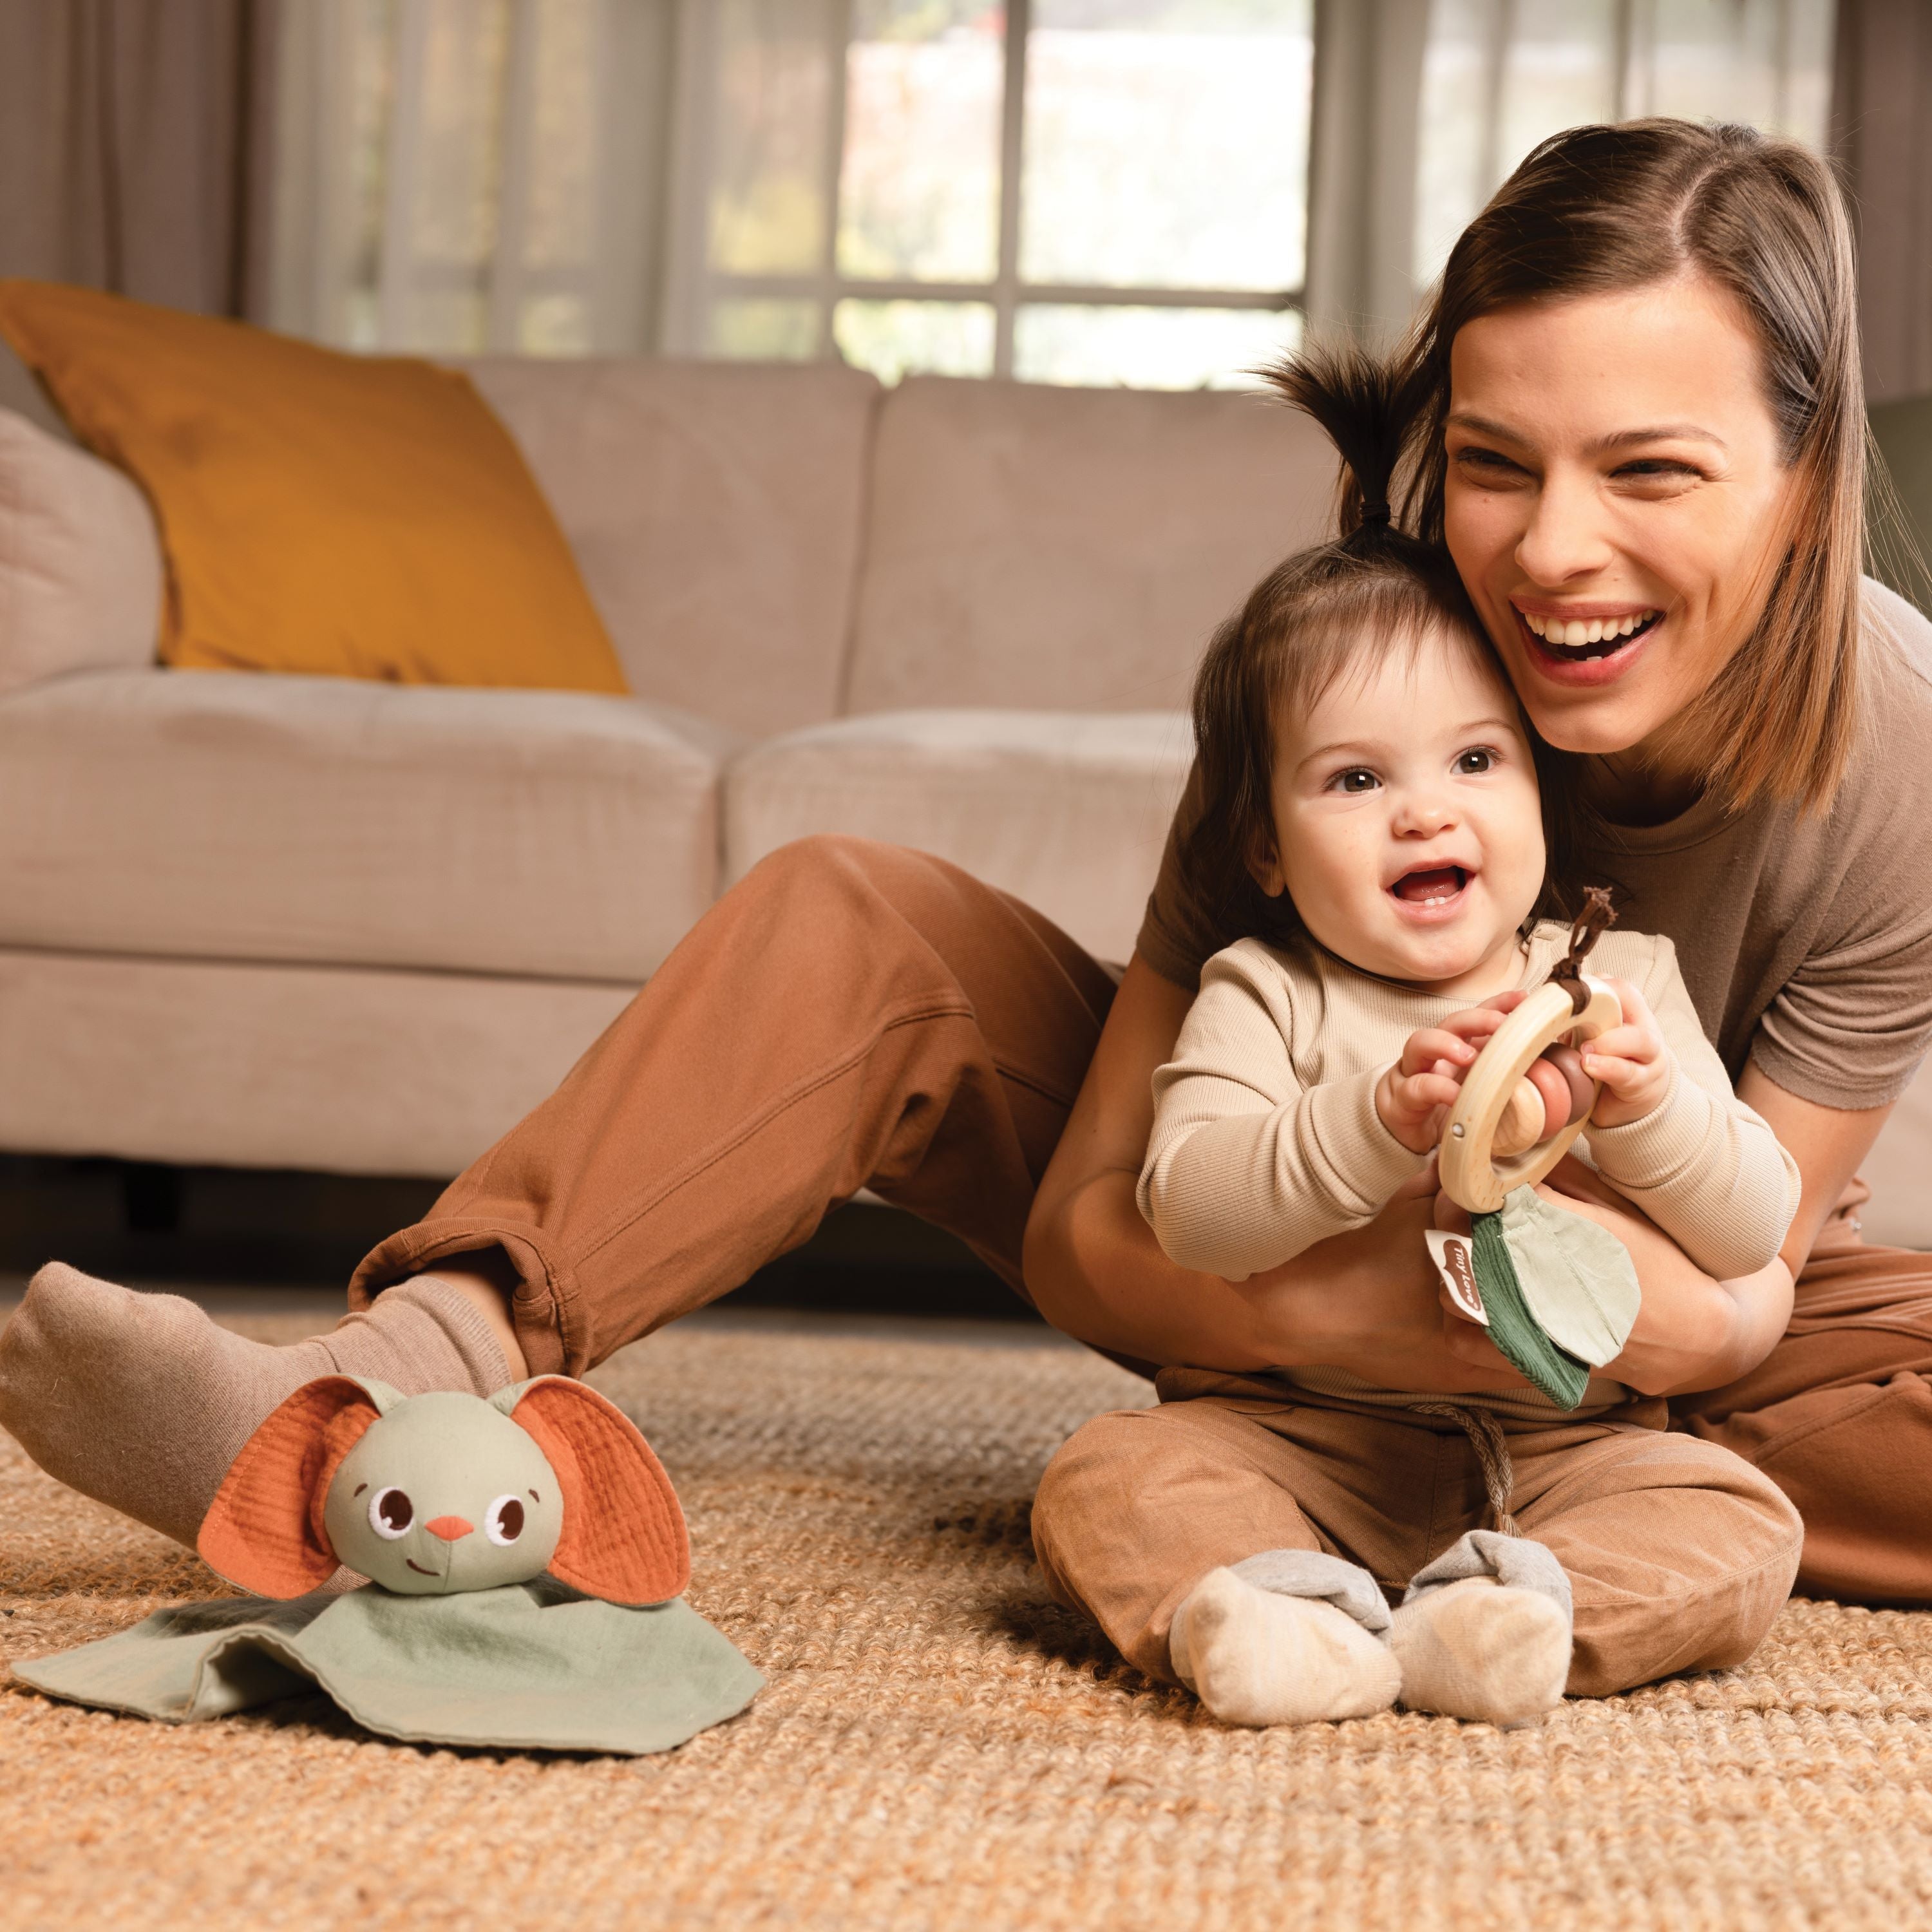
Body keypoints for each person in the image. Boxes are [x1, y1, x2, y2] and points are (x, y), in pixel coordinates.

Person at [3, 118, 1928, 1609]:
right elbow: (1107, 1231)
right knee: (858, 917)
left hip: (1634, 1316)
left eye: (1653, 472)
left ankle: (1509, 1517)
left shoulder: (1902, 747)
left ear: (1809, 465)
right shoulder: (1366, 672)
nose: (1549, 552)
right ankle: (364, 1406)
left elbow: (1736, 1280)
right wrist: (1336, 1307)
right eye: (1497, 462)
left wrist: (1658, 1322)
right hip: (1263, 1204)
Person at [1028, 347, 1803, 1731]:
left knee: (1739, 1527)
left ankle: (1503, 1615)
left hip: (1576, 1441)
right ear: (1263, 844)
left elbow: (1752, 1224)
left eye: (1476, 760)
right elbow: (1189, 1209)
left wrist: (1645, 1110)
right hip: (1291, 1426)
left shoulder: (1615, 981)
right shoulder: (1265, 993)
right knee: (1109, 1482)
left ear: (1542, 794)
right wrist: (1371, 1123)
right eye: (1356, 777)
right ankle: (1285, 1609)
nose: (1425, 813)